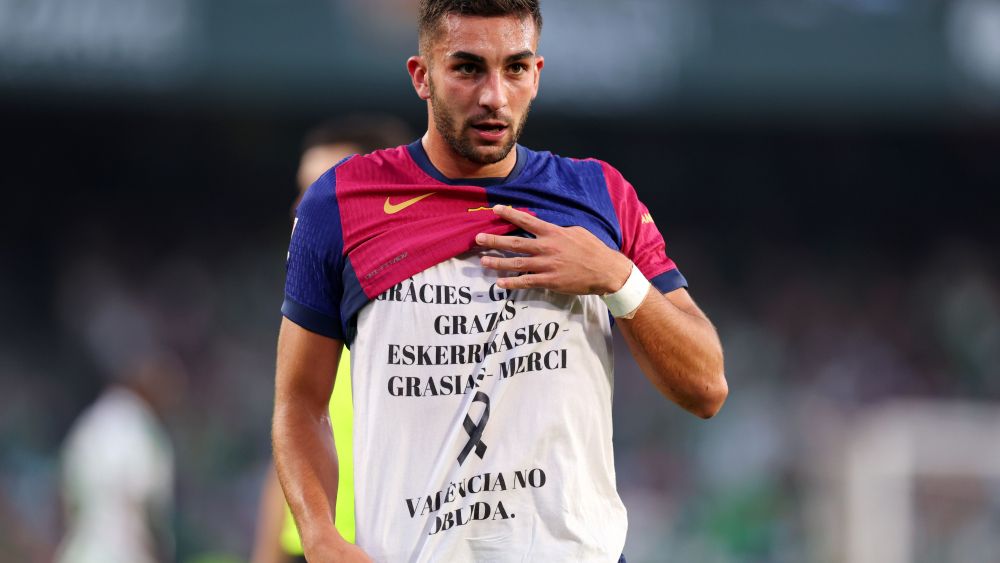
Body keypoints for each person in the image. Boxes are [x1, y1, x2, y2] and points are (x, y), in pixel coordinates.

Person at [273, 1, 728, 561]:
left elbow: (706, 387)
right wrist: (319, 535)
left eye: (514, 68)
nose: (494, 96)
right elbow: (299, 402)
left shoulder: (599, 196)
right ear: (422, 76)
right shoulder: (340, 203)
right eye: (467, 68)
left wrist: (616, 276)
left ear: (536, 74)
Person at [253, 117, 412, 563]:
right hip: (310, 548)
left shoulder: (423, 309)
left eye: (324, 190)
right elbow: (295, 425)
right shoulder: (313, 310)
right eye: (304, 193)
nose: (305, 209)